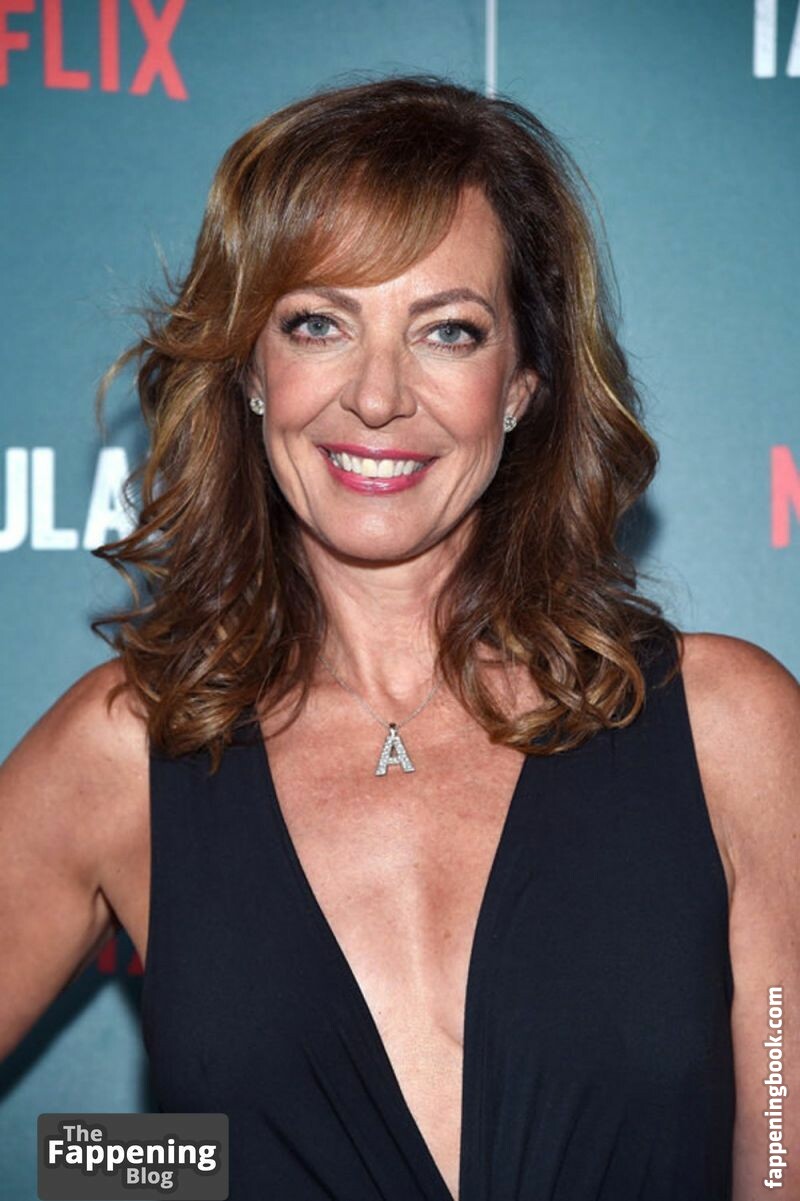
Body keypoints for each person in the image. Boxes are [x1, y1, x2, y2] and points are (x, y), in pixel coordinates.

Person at [1, 73, 798, 1201]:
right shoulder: (130, 748)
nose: (377, 396)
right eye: (318, 323)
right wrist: (180, 1168)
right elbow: (94, 1159)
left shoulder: (730, 731)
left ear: (521, 384)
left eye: (448, 331)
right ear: (249, 368)